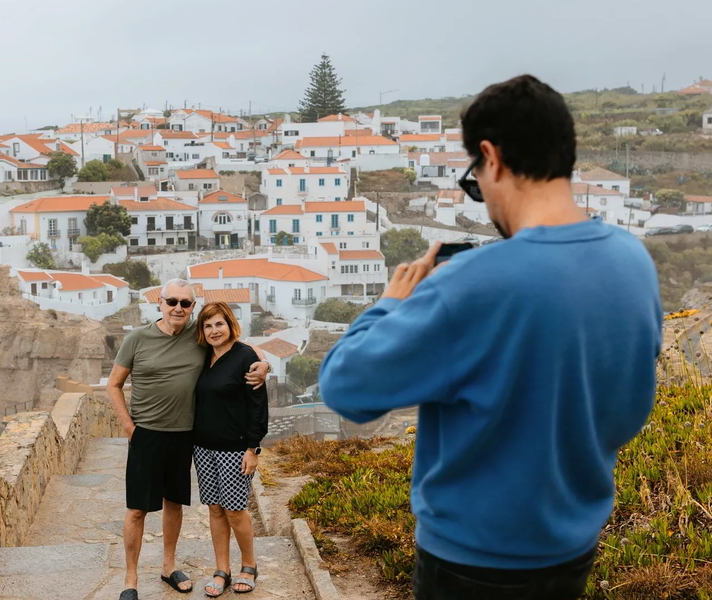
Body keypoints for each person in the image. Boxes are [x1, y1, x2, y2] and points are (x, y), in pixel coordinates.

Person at [319, 75, 663, 600]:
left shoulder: (472, 283)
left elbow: (346, 388)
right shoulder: (632, 260)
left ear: (491, 157)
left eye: (475, 180)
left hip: (471, 563)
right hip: (574, 547)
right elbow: (629, 409)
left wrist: (390, 304)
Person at [107, 279, 269, 600]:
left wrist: (264, 365)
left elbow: (242, 348)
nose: (178, 308)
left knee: (174, 505)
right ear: (160, 303)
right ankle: (130, 579)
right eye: (172, 302)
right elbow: (113, 384)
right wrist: (129, 427)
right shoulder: (137, 339)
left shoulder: (197, 336)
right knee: (138, 510)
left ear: (192, 307)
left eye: (185, 303)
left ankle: (169, 567)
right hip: (148, 436)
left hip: (184, 438)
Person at [192, 302, 268, 597]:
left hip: (236, 449)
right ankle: (222, 569)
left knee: (235, 510)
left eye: (219, 324)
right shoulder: (203, 355)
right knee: (214, 508)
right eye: (208, 325)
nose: (214, 331)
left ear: (230, 325)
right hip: (203, 448)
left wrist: (253, 448)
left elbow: (258, 406)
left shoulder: (246, 357)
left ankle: (248, 566)